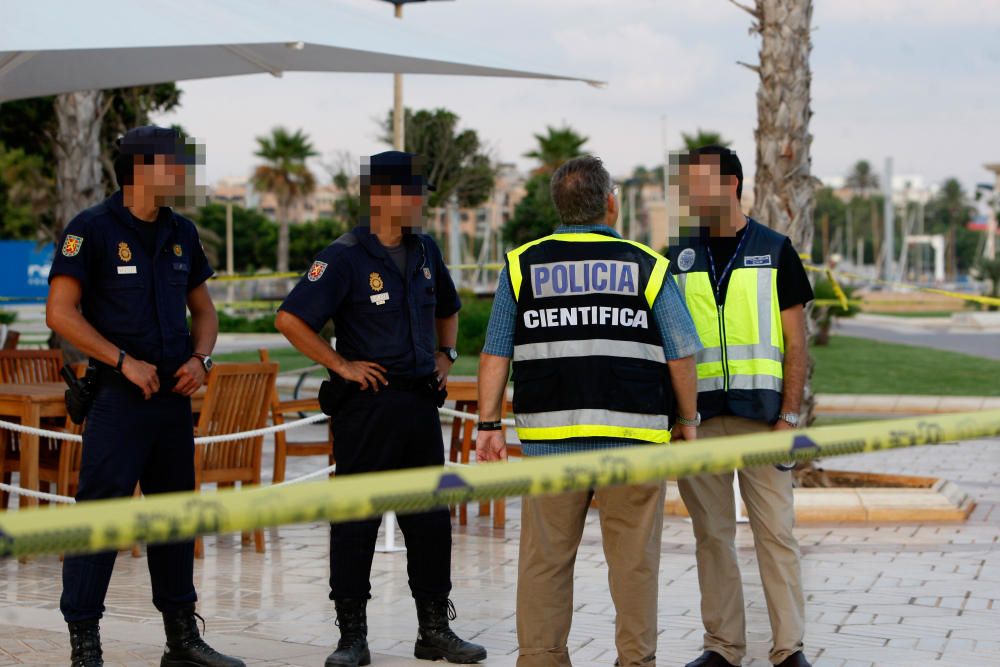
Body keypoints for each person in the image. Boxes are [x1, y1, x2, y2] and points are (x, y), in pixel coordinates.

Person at [477, 155, 702, 667]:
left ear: (558, 205)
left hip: (551, 441)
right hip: (634, 439)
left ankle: (540, 658)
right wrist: (688, 422)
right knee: (634, 565)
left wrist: (489, 424)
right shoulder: (647, 264)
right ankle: (635, 661)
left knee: (545, 562)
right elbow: (680, 353)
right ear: (610, 204)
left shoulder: (523, 265)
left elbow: (495, 352)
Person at [275, 151, 487, 667]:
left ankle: (434, 629)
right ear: (384, 197)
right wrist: (341, 366)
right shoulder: (343, 255)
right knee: (355, 520)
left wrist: (447, 355)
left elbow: (449, 310)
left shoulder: (425, 250)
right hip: (367, 407)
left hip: (418, 404)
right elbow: (290, 320)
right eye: (415, 194)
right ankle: (352, 637)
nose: (421, 204)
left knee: (430, 519)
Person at [46, 126, 243, 667]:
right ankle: (84, 642)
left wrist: (201, 360)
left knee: (174, 518)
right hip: (117, 400)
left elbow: (204, 311)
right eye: (174, 164)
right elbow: (60, 314)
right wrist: (120, 360)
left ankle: (181, 638)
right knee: (100, 519)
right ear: (141, 169)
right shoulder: (91, 230)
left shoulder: (182, 231)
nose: (182, 174)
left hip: (171, 404)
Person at [666, 145, 814, 667]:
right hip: (698, 423)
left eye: (698, 182)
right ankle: (723, 648)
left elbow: (797, 345)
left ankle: (789, 648)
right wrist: (678, 420)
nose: (689, 193)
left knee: (777, 534)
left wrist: (789, 417)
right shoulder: (677, 254)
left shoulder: (775, 250)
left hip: (765, 421)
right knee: (712, 537)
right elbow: (668, 344)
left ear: (731, 184)